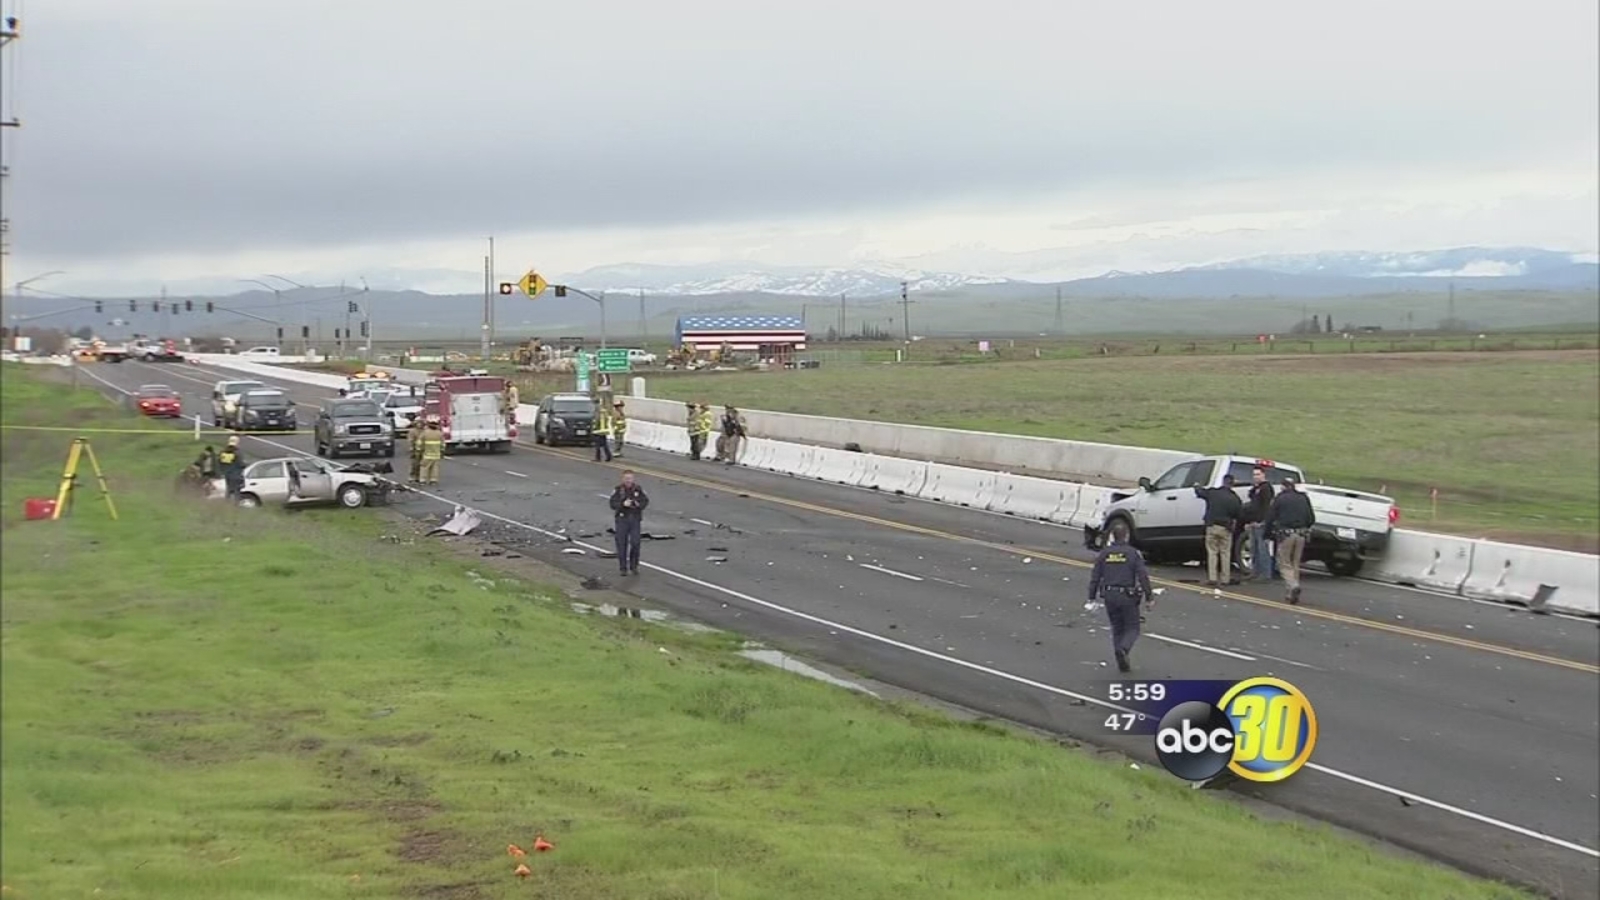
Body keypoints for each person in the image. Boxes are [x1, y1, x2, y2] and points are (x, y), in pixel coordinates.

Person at [1088, 520, 1154, 673]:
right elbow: (1142, 576)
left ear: (1112, 536)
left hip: (1110, 595)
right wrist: (1149, 597)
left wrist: (1091, 597)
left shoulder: (1104, 553)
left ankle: (1120, 654)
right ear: (1126, 536)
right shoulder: (1132, 553)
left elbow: (1095, 576)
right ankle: (1123, 649)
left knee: (1117, 628)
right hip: (1127, 596)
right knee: (1132, 627)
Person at [1263, 474, 1316, 605]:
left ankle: (1293, 586)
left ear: (1283, 486)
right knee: (1295, 564)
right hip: (1301, 534)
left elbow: (1270, 517)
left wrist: (1267, 534)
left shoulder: (1280, 498)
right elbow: (1311, 518)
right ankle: (1290, 594)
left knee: (1284, 563)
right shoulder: (1304, 498)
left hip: (1286, 534)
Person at [1194, 474, 1243, 587]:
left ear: (1223, 481)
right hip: (1226, 528)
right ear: (1232, 484)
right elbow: (1239, 514)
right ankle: (1225, 579)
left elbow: (1200, 493)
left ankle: (1212, 578)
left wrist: (1196, 486)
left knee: (1212, 552)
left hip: (1212, 525)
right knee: (1225, 553)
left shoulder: (1213, 493)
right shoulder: (1235, 498)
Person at [608, 469, 649, 576]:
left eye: (630, 478)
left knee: (636, 543)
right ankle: (623, 568)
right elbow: (612, 504)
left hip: (635, 519)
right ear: (622, 479)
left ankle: (634, 565)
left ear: (633, 479)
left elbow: (645, 502)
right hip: (622, 519)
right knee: (622, 544)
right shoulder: (618, 490)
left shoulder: (638, 489)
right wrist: (622, 504)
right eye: (626, 478)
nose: (628, 481)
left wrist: (637, 504)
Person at [1242, 468, 1277, 582]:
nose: (1256, 477)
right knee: (1254, 549)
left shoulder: (1266, 488)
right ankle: (1255, 572)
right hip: (1253, 522)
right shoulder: (1256, 488)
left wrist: (1263, 521)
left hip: (1261, 523)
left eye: (1258, 474)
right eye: (1254, 475)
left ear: (1263, 475)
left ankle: (1266, 574)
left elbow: (1266, 507)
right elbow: (1252, 503)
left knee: (1263, 549)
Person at [418, 416, 445, 485]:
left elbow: (419, 443)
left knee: (424, 467)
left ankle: (423, 480)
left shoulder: (424, 433)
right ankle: (433, 480)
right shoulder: (440, 433)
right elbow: (443, 445)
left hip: (426, 454)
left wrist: (418, 451)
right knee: (435, 468)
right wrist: (442, 452)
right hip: (436, 455)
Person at [592, 397, 613, 463]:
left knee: (597, 445)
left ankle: (598, 458)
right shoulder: (604, 410)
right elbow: (607, 418)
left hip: (598, 430)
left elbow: (597, 420)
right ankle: (608, 456)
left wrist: (594, 427)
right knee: (604, 444)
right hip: (604, 430)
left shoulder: (597, 410)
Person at [407, 416, 427, 482]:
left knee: (422, 464)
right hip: (415, 450)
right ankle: (411, 476)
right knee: (414, 464)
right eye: (418, 423)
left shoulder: (425, 431)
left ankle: (418, 476)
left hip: (423, 449)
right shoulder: (412, 431)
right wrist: (411, 447)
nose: (420, 424)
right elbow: (410, 440)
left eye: (421, 423)